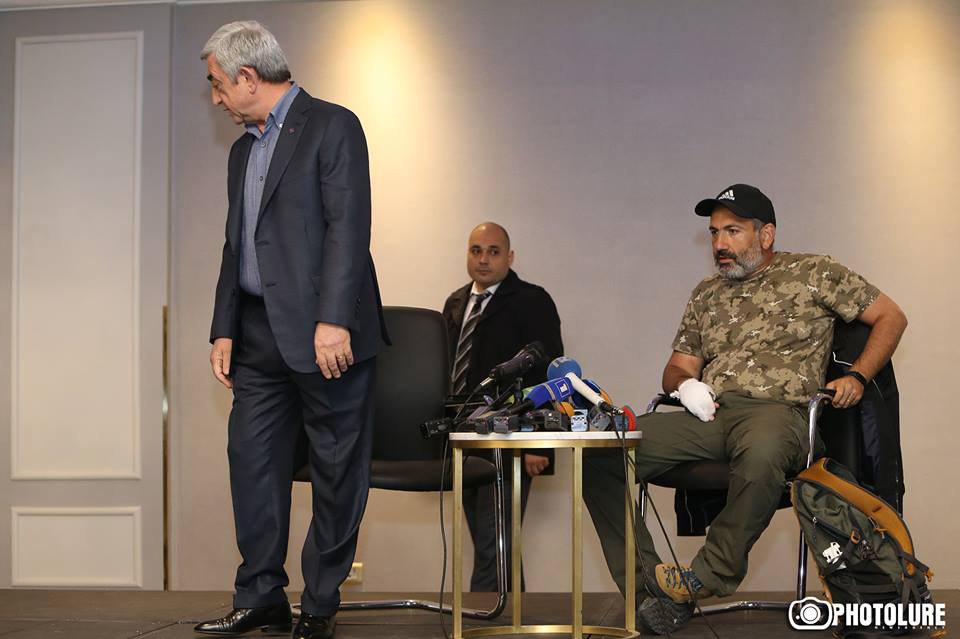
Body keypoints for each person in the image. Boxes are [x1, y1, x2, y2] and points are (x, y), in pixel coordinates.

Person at [582, 184, 907, 635]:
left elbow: (892, 317)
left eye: (732, 231)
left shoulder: (814, 271)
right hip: (711, 414)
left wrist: (858, 376)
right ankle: (652, 593)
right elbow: (677, 367)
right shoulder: (706, 293)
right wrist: (686, 386)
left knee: (761, 454)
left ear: (765, 234)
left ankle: (705, 576)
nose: (720, 243)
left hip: (780, 414)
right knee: (599, 453)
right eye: (714, 233)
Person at [195, 21, 388, 639]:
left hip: (325, 336)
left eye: (218, 85)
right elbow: (236, 245)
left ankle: (321, 603)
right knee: (251, 461)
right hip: (257, 337)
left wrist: (333, 320)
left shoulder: (333, 126)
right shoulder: (241, 152)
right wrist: (224, 326)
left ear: (248, 77)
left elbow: (348, 228)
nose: (215, 98)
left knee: (335, 472)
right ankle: (261, 596)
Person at [442, 222, 563, 591]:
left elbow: (547, 372)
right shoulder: (456, 303)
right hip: (463, 439)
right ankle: (511, 614)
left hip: (510, 441)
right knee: (493, 545)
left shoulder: (532, 300)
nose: (483, 259)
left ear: (509, 257)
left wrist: (537, 442)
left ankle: (483, 615)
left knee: (494, 545)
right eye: (476, 250)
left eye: (493, 251)